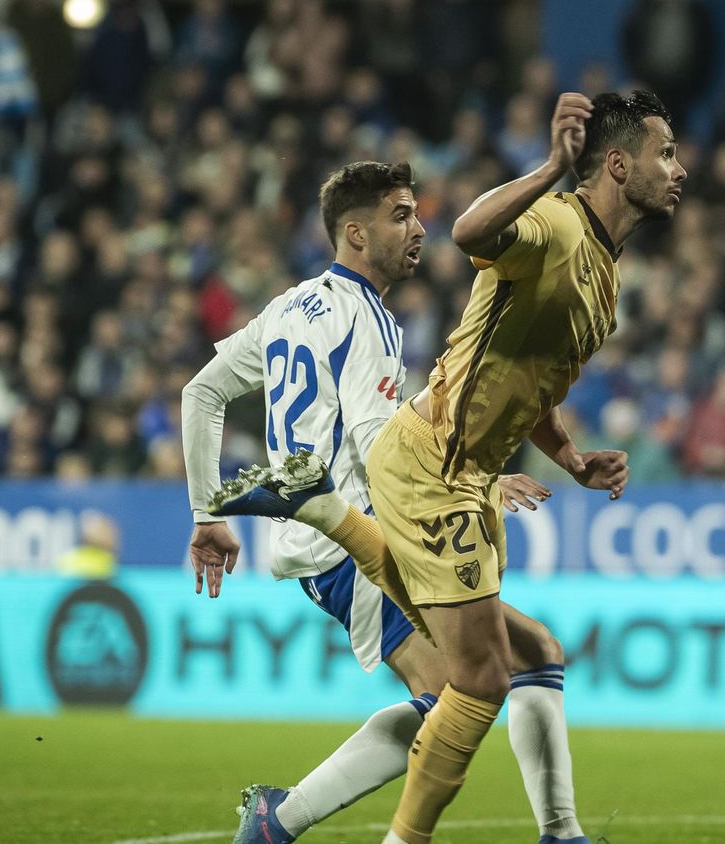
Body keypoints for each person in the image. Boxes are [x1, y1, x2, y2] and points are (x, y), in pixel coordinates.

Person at [181, 161, 587, 844]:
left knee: (534, 651)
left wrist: (205, 514)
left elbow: (201, 392)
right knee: (456, 694)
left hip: (321, 537)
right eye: (400, 215)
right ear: (355, 233)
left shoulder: (290, 307)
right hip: (358, 532)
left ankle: (561, 832)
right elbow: (380, 450)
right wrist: (480, 481)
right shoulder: (367, 319)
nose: (419, 229)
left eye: (417, 213)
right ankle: (279, 819)